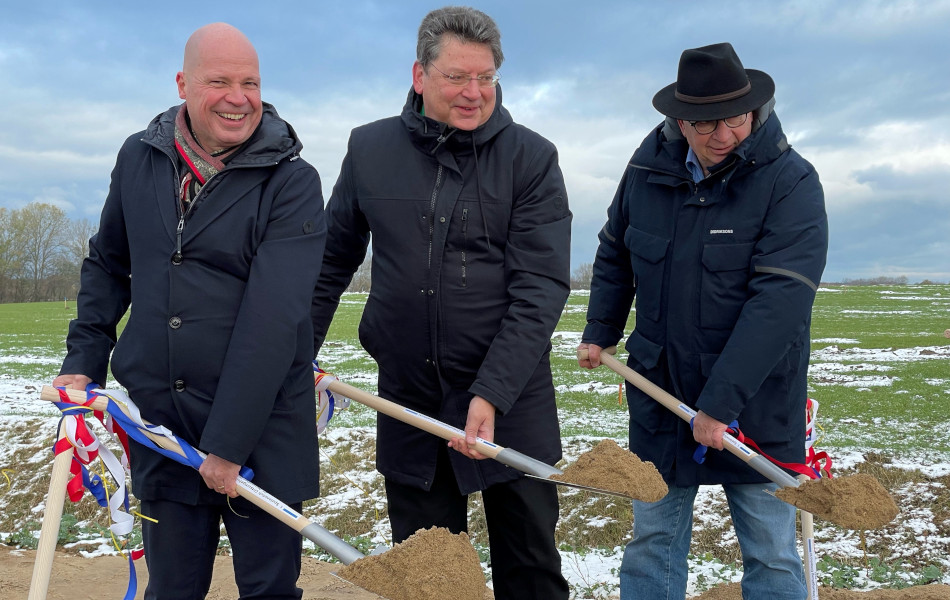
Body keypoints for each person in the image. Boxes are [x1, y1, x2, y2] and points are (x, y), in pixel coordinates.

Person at [54, 23, 326, 599]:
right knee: (172, 589)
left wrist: (228, 445)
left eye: (249, 82)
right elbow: (108, 262)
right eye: (219, 81)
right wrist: (84, 358)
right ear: (183, 83)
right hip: (163, 427)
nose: (238, 97)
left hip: (263, 431)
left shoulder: (293, 182)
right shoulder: (139, 157)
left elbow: (275, 319)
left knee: (269, 590)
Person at [311, 6, 571, 599]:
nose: (474, 93)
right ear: (419, 74)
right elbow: (329, 262)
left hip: (510, 399)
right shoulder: (370, 149)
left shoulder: (531, 159)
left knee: (530, 564)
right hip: (409, 400)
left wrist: (493, 391)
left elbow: (540, 287)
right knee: (426, 572)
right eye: (457, 77)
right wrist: (294, 354)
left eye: (486, 77)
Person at [578, 43, 828, 600]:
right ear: (678, 121)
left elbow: (780, 303)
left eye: (734, 120)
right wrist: (601, 328)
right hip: (660, 390)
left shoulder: (790, 182)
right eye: (704, 124)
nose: (722, 136)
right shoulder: (645, 172)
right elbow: (616, 252)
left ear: (754, 111)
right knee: (653, 540)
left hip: (754, 405)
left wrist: (721, 404)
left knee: (770, 549)